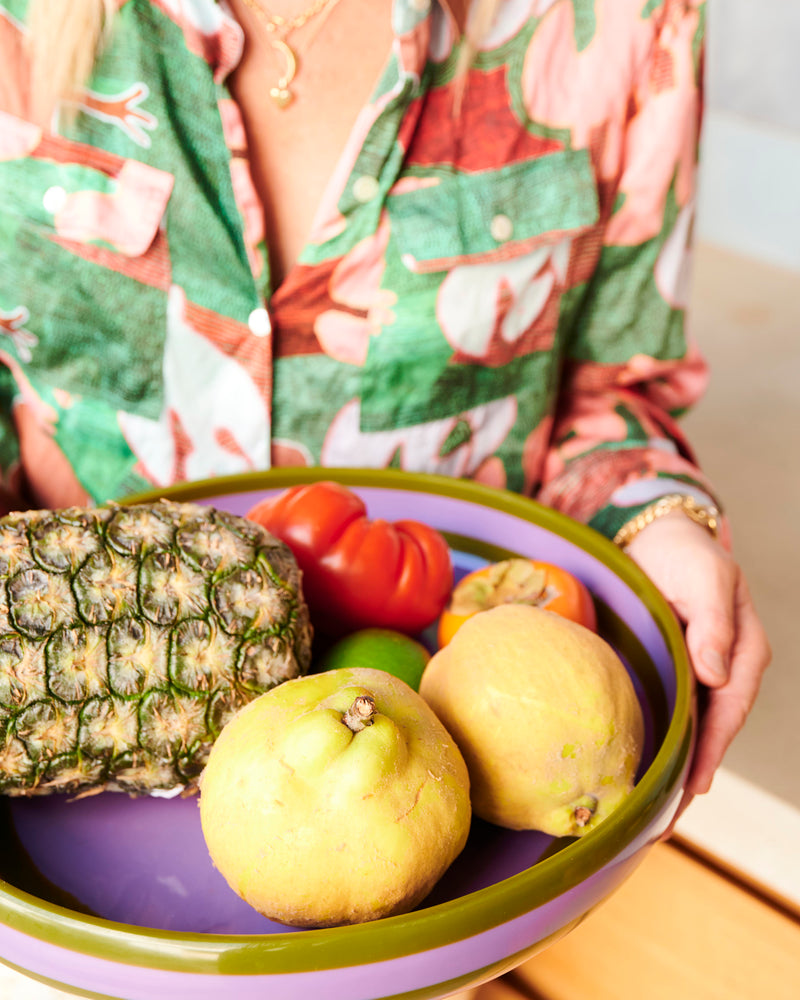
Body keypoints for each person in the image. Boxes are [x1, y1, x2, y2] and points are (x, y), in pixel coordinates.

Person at [0, 0, 770, 966]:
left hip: (443, 797)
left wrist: (662, 520)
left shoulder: (622, 21)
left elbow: (610, 394)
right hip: (64, 830)